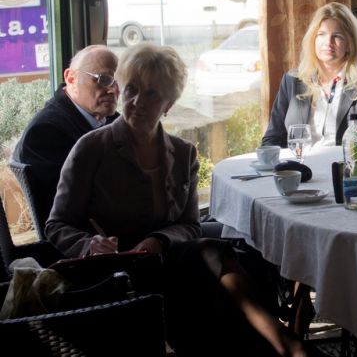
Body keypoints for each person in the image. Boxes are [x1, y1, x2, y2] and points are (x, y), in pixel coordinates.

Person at [46, 43, 306, 357]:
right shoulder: (92, 149)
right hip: (117, 274)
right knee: (212, 262)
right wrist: (90, 245)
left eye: (151, 94)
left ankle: (278, 344)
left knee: (222, 260)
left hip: (168, 260)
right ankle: (284, 343)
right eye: (131, 90)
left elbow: (189, 225)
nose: (137, 102)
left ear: (168, 104)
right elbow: (57, 225)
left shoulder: (183, 153)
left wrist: (158, 240)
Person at [13, 45, 120, 229]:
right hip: (87, 239)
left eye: (119, 82)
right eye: (103, 80)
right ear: (71, 78)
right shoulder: (46, 132)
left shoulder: (111, 120)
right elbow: (70, 210)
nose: (113, 90)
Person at [262, 2, 357, 147]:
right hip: (299, 160)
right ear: (312, 40)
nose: (328, 42)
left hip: (345, 161)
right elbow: (272, 139)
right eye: (321, 34)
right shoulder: (292, 81)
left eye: (337, 36)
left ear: (350, 43)